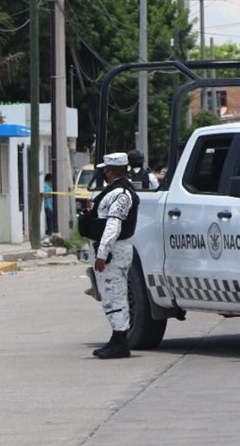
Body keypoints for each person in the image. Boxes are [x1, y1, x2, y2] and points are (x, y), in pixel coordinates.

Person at [81, 152, 139, 360]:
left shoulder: (121, 194)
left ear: (112, 171)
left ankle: (120, 343)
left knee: (115, 295)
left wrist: (102, 253)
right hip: (109, 251)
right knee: (110, 296)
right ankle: (116, 339)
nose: (103, 173)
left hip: (114, 251)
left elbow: (113, 225)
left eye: (105, 169)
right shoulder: (113, 192)